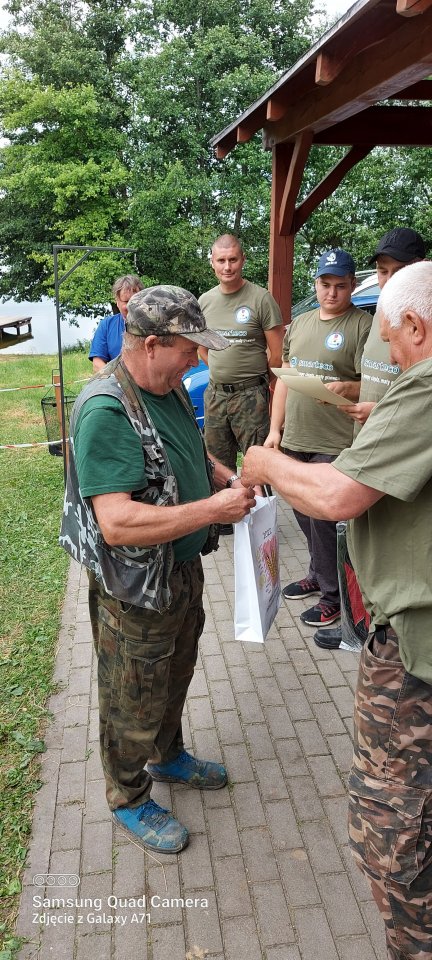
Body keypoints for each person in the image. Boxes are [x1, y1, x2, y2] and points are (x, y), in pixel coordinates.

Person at [241, 260, 432, 960]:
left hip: (415, 650)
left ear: (413, 324)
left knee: (390, 823)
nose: (391, 352)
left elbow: (336, 498)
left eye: (392, 338)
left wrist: (264, 465)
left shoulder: (428, 386)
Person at [60, 285, 256, 855]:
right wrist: (214, 510)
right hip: (136, 590)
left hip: (180, 569)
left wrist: (222, 475)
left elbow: (189, 447)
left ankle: (167, 755)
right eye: (188, 349)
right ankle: (127, 794)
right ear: (150, 344)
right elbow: (117, 522)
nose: (196, 360)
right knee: (132, 695)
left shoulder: (163, 385)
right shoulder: (106, 410)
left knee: (176, 672)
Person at [314, 226, 426, 651]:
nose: (387, 281)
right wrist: (352, 391)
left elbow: (419, 407)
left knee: (392, 554)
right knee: (361, 545)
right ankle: (357, 625)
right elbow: (379, 382)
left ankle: (381, 633)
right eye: (381, 271)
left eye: (398, 271)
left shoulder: (418, 324)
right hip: (366, 446)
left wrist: (377, 412)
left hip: (398, 463)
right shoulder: (382, 319)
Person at [265, 248, 372, 627]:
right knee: (305, 516)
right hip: (296, 437)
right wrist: (275, 431)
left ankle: (335, 598)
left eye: (340, 286)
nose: (331, 293)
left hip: (335, 441)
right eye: (325, 284)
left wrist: (350, 386)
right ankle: (319, 574)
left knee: (326, 523)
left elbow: (373, 386)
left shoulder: (363, 325)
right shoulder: (301, 323)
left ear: (352, 285)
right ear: (316, 284)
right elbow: (284, 381)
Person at [198, 234, 284, 477]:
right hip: (215, 395)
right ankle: (225, 514)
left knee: (258, 464)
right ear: (212, 262)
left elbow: (278, 354)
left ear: (243, 260)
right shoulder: (204, 301)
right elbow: (202, 348)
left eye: (233, 259)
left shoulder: (261, 299)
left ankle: (261, 512)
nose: (227, 267)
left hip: (251, 397)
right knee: (217, 465)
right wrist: (221, 369)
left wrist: (254, 382)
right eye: (222, 260)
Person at [88, 274, 144, 371]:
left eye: (135, 301)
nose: (131, 305)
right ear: (117, 301)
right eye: (126, 301)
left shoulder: (155, 324)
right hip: (115, 382)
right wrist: (117, 380)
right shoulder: (106, 325)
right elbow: (97, 363)